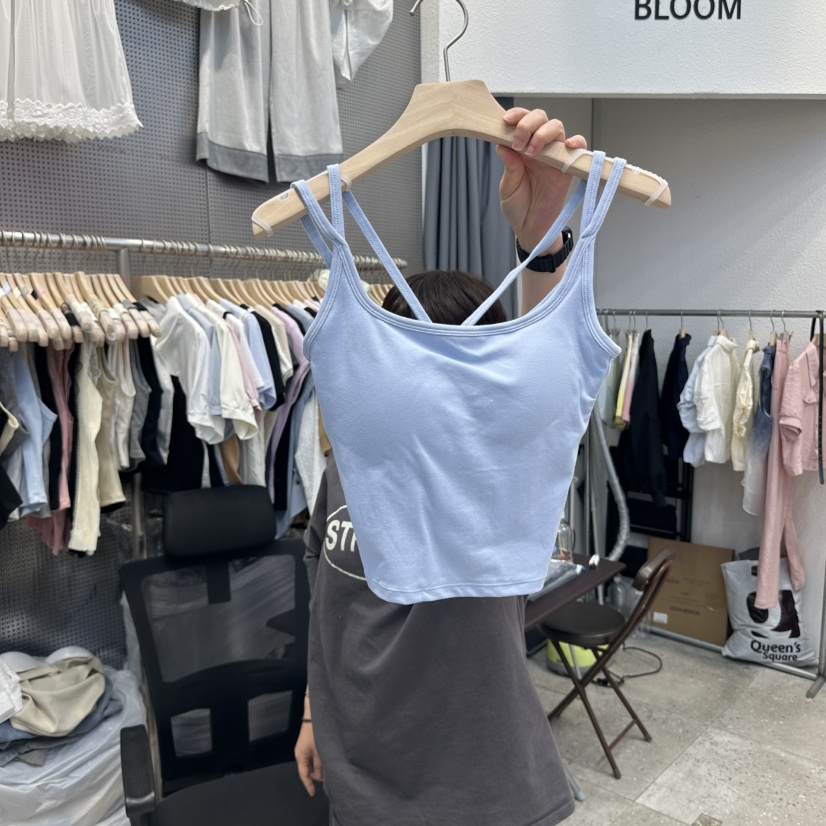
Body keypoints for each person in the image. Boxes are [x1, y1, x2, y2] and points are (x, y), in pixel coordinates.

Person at [295, 109, 588, 826]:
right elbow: (327, 602)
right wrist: (310, 711)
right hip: (356, 775)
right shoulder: (349, 461)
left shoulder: (498, 467)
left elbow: (544, 375)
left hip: (480, 791)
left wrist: (544, 242)